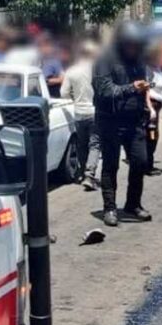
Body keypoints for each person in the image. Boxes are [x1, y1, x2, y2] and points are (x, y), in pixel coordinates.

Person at [92, 22, 152, 227]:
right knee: (111, 164)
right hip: (111, 120)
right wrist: (131, 88)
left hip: (134, 120)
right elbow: (104, 90)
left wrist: (146, 105)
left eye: (136, 45)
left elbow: (143, 84)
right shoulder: (105, 59)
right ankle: (109, 207)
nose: (133, 49)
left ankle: (132, 204)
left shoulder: (138, 60)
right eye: (130, 45)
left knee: (141, 161)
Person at [62, 40, 101, 190]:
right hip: (94, 112)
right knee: (95, 144)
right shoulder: (96, 70)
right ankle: (89, 175)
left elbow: (63, 93)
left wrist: (75, 98)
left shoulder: (71, 71)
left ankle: (85, 174)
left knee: (82, 145)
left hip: (78, 113)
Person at [145, 42, 162, 177]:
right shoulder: (147, 70)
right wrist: (150, 108)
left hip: (158, 105)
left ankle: (149, 163)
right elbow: (147, 90)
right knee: (151, 135)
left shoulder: (158, 69)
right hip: (151, 106)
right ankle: (147, 165)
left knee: (153, 135)